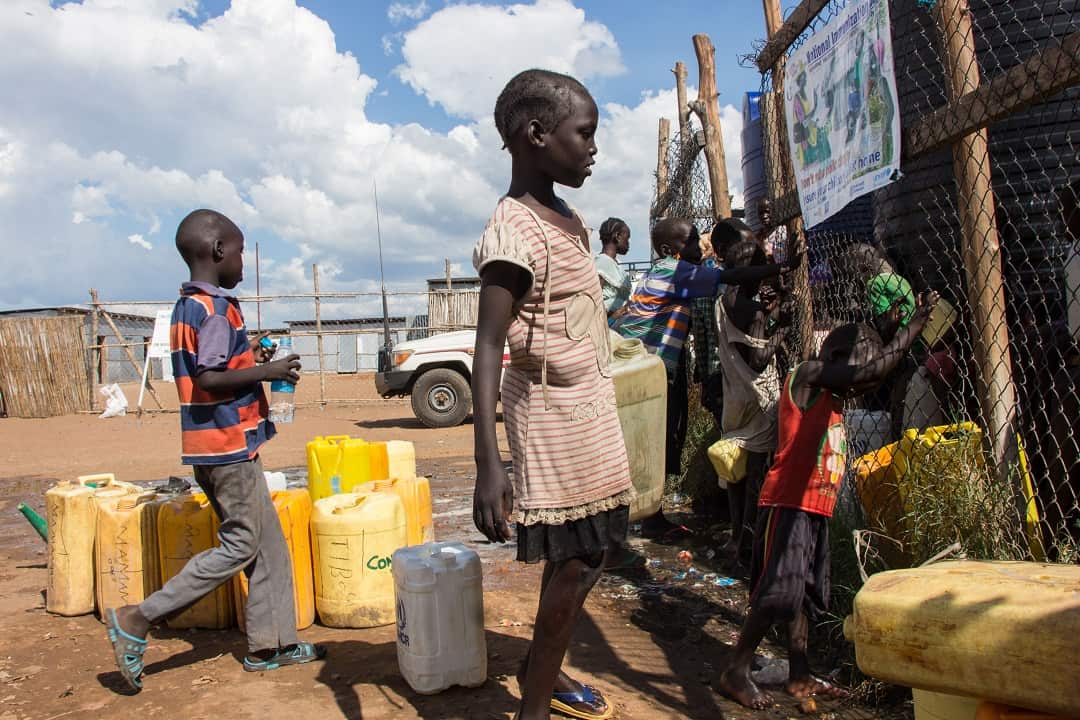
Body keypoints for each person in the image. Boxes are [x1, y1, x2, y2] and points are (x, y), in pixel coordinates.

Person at [103, 210, 324, 692]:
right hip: (227, 446)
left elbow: (219, 362)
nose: (244, 261)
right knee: (243, 542)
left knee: (269, 545)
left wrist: (252, 357)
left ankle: (272, 645)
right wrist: (268, 372)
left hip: (217, 445)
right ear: (219, 251)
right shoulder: (217, 309)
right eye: (241, 251)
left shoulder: (191, 306)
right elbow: (209, 377)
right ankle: (138, 617)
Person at [472, 68, 631, 720]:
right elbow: (487, 347)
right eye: (584, 133)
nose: (594, 148)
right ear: (537, 134)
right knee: (573, 561)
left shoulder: (568, 217)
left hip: (588, 413)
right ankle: (535, 705)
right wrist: (489, 464)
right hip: (550, 420)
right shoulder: (515, 229)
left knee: (587, 555)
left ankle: (547, 667)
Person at [717, 291, 939, 709]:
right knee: (778, 592)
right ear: (833, 356)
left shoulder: (833, 390)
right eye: (861, 370)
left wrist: (889, 334)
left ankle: (800, 674)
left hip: (814, 508)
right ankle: (736, 668)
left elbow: (868, 373)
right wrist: (913, 329)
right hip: (788, 505)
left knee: (801, 595)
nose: (868, 384)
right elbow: (863, 373)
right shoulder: (806, 376)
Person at [614, 218, 799, 537]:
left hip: (647, 370)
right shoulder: (674, 271)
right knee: (653, 443)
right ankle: (636, 520)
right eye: (691, 240)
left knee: (656, 440)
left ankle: (647, 514)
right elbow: (729, 275)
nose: (699, 245)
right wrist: (779, 267)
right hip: (647, 373)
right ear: (670, 250)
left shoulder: (667, 271)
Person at [716, 241, 789, 573]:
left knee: (734, 469)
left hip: (734, 395)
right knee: (756, 470)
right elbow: (759, 358)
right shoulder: (753, 310)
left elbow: (742, 340)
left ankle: (733, 537)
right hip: (759, 398)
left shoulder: (723, 302)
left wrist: (771, 316)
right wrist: (782, 330)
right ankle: (750, 539)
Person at [594, 217, 632, 318]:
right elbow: (592, 302)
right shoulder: (602, 262)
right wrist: (612, 318)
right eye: (627, 238)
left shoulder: (616, 264)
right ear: (617, 236)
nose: (628, 243)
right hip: (607, 325)